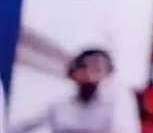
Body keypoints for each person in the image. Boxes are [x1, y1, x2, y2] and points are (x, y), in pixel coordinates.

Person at [11, 49, 139, 133]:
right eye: (84, 67)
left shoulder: (118, 100)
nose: (90, 74)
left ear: (107, 74)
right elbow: (25, 124)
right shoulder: (60, 103)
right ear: (73, 73)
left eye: (97, 69)